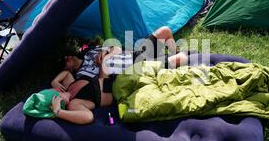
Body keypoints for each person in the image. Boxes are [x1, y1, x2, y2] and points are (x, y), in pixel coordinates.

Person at [49, 26, 189, 125]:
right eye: (53, 98)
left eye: (53, 93)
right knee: (181, 58)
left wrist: (54, 81)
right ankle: (172, 62)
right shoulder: (74, 98)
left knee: (165, 31)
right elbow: (87, 117)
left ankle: (171, 58)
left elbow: (65, 74)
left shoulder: (70, 84)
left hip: (133, 57)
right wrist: (58, 111)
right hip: (128, 77)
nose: (66, 58)